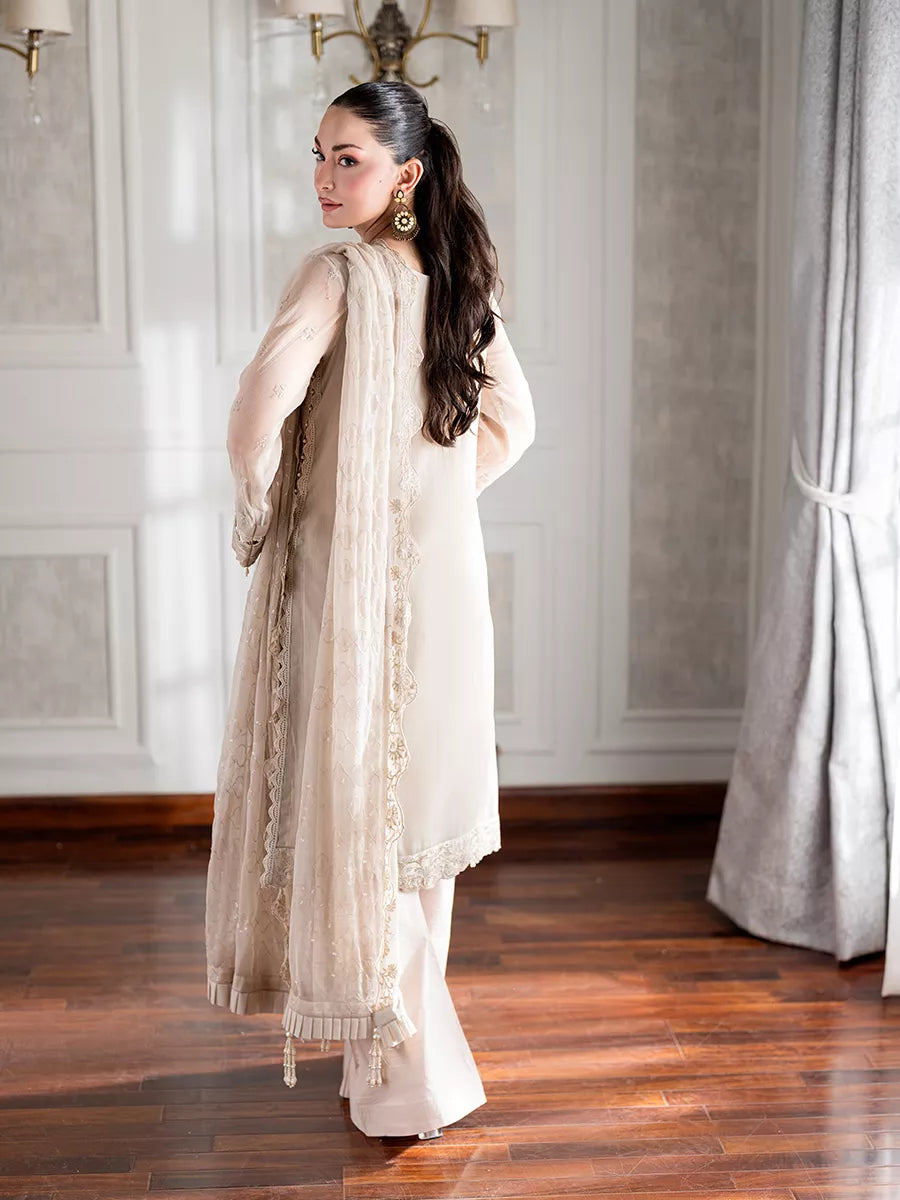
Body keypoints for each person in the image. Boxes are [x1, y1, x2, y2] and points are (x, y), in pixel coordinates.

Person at [204, 80, 535, 1141]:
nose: (324, 176)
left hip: (349, 598)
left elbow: (256, 413)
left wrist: (274, 511)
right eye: (319, 154)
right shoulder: (456, 279)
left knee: (364, 827)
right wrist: (426, 501)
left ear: (406, 175)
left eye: (348, 158)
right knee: (414, 835)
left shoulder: (336, 275)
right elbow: (516, 422)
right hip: (447, 590)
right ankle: (380, 1075)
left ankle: (410, 1088)